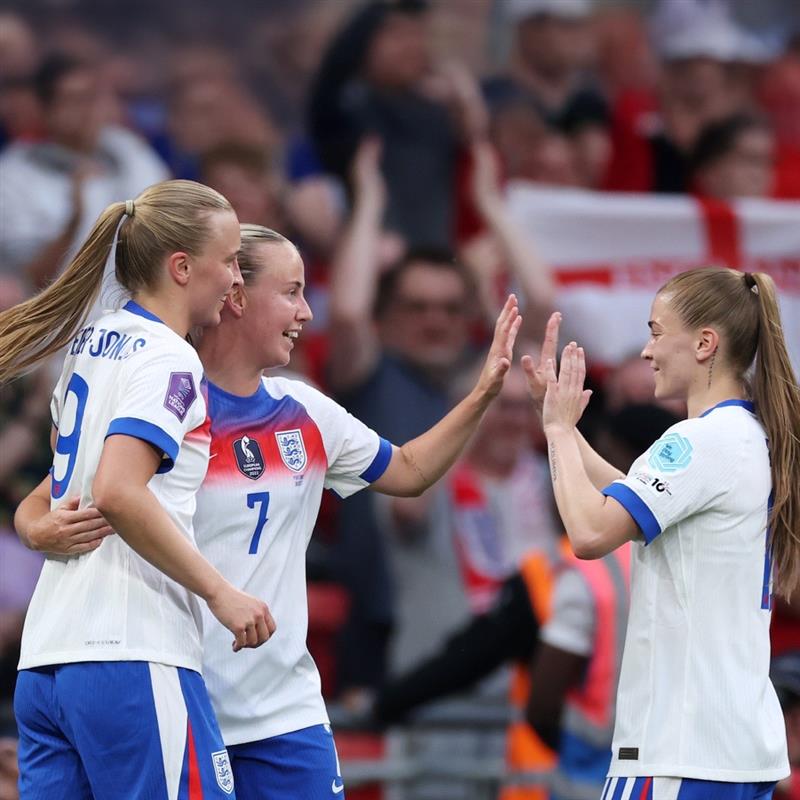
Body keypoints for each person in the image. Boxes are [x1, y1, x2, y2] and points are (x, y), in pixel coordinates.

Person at [20, 223, 522, 798]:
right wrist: (38, 529)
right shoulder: (165, 392)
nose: (307, 312)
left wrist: (482, 394)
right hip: (178, 689)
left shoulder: (303, 408)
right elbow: (59, 492)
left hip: (283, 712)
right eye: (291, 291)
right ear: (234, 295)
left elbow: (408, 471)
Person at [5, 180, 274, 799]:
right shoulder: (169, 358)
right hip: (131, 650)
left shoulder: (91, 344)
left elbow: (57, 485)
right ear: (182, 267)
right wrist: (220, 592)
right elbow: (119, 491)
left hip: (47, 662)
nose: (237, 278)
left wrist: (29, 524)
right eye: (230, 259)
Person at [523, 269, 800, 796]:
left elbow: (588, 533)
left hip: (676, 750)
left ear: (704, 343)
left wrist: (558, 432)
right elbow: (634, 495)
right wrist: (558, 422)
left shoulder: (698, 441)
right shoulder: (749, 435)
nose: (647, 351)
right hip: (738, 752)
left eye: (655, 330)